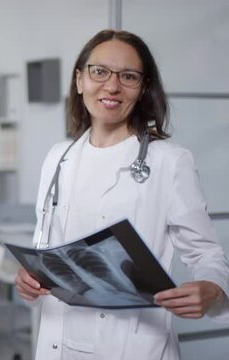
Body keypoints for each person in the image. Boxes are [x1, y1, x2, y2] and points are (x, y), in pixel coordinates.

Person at [15, 29, 229, 360]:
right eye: (99, 72)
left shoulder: (169, 162)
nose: (112, 86)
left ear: (143, 88)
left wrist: (212, 291)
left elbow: (207, 255)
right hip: (59, 339)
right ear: (79, 80)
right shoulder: (57, 157)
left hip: (131, 344)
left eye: (128, 76)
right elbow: (45, 249)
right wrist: (30, 277)